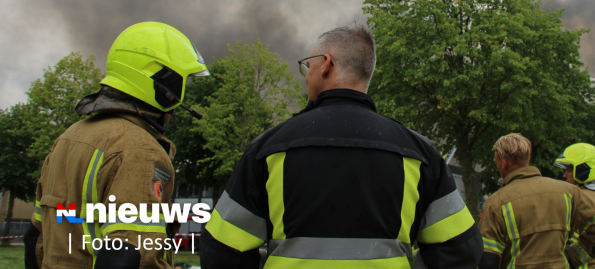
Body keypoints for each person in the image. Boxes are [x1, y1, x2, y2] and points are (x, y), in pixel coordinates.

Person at [201, 24, 482, 269]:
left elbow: (221, 251)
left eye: (306, 66)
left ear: (326, 64)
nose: (306, 76)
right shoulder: (420, 155)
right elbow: (461, 251)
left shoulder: (268, 150)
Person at [24, 22, 209, 269]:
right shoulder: (140, 151)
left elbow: (35, 237)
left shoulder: (68, 138)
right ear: (166, 85)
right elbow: (130, 256)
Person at [479, 133, 595, 269]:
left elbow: (488, 261)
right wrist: (571, 259)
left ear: (504, 163)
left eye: (496, 162)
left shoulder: (495, 203)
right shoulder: (569, 192)